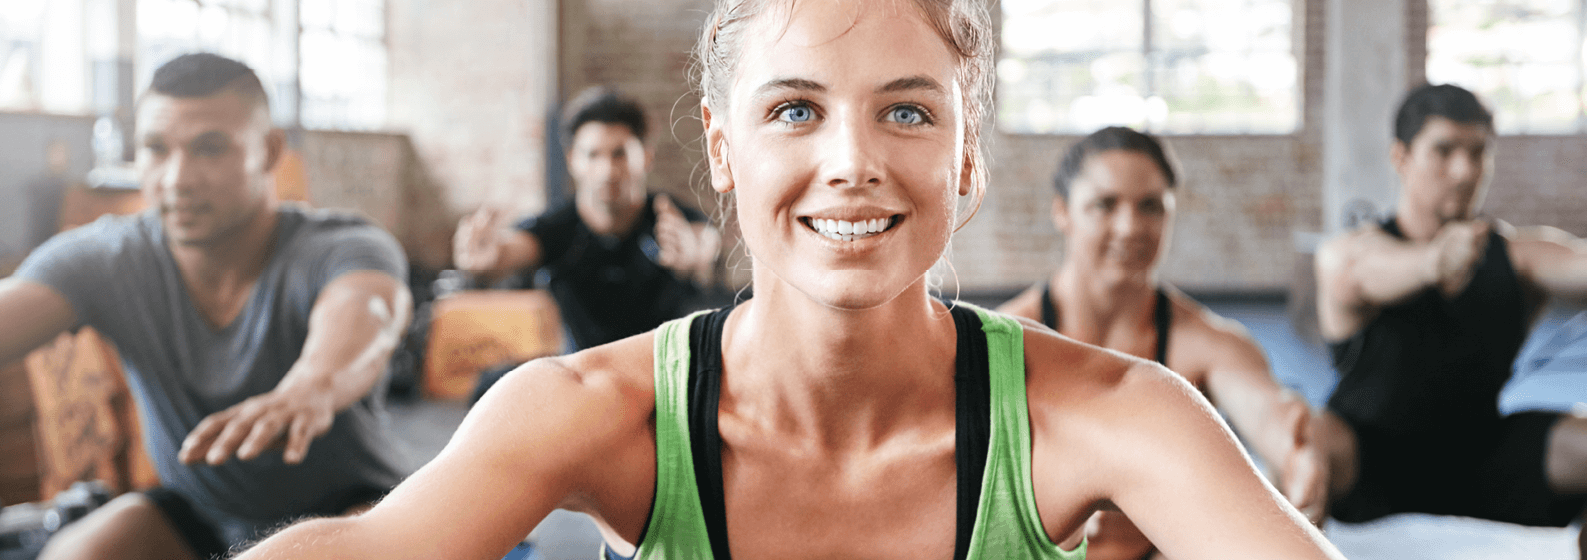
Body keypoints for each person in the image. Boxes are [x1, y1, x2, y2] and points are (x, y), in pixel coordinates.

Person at [235, 1, 1344, 559]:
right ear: (722, 148)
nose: (853, 159)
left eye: (906, 110)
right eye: (795, 109)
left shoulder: (1115, 414)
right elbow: (360, 549)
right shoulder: (589, 412)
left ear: (965, 156)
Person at [0, 53, 413, 560]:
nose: (177, 178)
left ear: (269, 150)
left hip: (354, 510)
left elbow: (369, 311)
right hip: (196, 512)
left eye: (209, 149)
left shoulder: (340, 245)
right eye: (155, 149)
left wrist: (313, 386)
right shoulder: (108, 258)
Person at [996, 126, 1328, 560]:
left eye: (1150, 206)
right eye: (1105, 204)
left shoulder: (1209, 343)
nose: (1131, 226)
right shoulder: (1005, 338)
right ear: (1063, 212)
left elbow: (1264, 410)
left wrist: (1295, 454)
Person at [1312, 82, 1587, 553]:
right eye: (1443, 151)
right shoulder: (1352, 253)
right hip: (1371, 461)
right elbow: (1355, 271)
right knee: (1303, 441)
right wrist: (1433, 262)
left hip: (1481, 455)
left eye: (1478, 153)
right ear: (1401, 157)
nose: (1463, 171)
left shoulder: (1516, 257)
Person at [453, 86, 721, 351]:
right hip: (585, 379)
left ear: (646, 157)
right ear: (572, 160)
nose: (607, 170)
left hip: (666, 375)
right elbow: (517, 247)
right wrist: (493, 254)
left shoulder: (670, 220)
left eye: (620, 154)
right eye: (593, 155)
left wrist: (693, 253)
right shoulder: (558, 228)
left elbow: (706, 239)